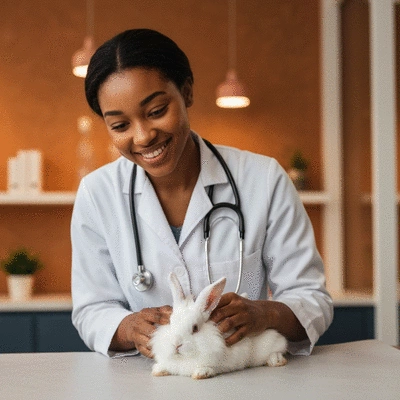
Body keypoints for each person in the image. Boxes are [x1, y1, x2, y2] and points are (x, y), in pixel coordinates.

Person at [71, 28, 333, 358]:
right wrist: (127, 327)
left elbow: (311, 298)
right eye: (120, 126)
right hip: (147, 384)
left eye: (156, 111)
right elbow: (91, 308)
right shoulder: (98, 194)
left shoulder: (262, 179)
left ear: (187, 92)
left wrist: (263, 314)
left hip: (244, 379)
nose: (143, 136)